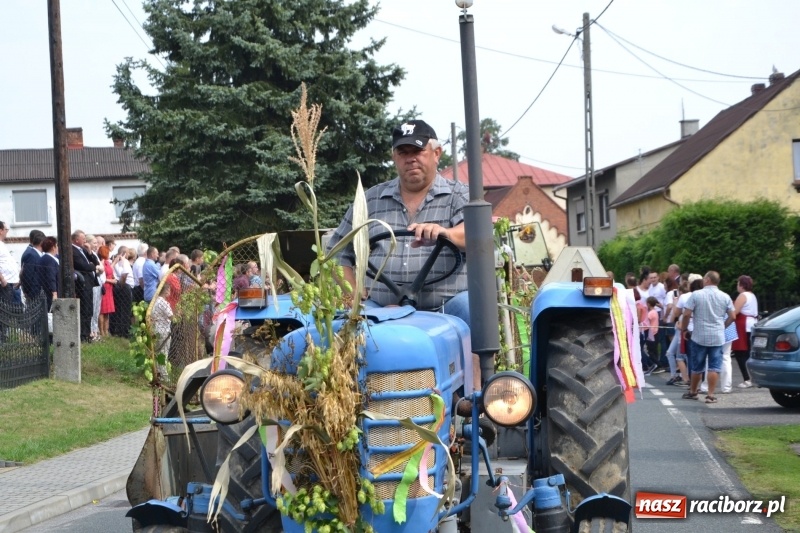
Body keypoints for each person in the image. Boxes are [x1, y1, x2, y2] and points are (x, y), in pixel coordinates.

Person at [326, 119, 470, 325]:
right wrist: (353, 293)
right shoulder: (369, 200)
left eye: (417, 151)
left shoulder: (459, 194)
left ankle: (473, 357)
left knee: (471, 308)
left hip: (445, 306)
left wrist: (444, 233)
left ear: (436, 154)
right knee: (347, 322)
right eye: (403, 152)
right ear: (394, 157)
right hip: (380, 306)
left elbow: (476, 236)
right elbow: (336, 251)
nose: (410, 159)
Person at [679, 271, 735, 404]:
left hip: (699, 335)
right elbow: (733, 316)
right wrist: (723, 326)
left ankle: (693, 391)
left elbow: (686, 314)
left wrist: (685, 329)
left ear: (708, 280)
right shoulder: (725, 296)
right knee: (714, 367)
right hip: (717, 336)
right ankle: (710, 394)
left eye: (704, 278)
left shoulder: (696, 295)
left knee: (697, 366)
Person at [71, 230, 99, 342]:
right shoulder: (72, 250)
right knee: (84, 310)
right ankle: (83, 335)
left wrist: (90, 252)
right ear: (76, 239)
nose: (85, 241)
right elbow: (84, 266)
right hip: (82, 285)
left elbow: (95, 262)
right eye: (83, 239)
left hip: (90, 283)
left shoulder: (83, 249)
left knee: (89, 310)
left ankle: (88, 334)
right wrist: (92, 266)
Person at [732, 275, 758, 388]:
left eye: (738, 284)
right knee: (748, 352)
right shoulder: (752, 295)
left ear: (742, 285)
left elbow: (735, 311)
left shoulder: (742, 295)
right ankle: (752, 378)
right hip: (751, 324)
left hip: (744, 325)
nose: (737, 286)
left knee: (740, 353)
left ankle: (747, 379)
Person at [20, 229, 45, 303]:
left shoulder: (37, 254)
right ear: (41, 243)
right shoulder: (31, 254)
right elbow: (28, 274)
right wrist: (27, 291)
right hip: (34, 292)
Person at [97, 245, 117, 338]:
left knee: (107, 311)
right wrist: (111, 280)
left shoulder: (108, 263)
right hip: (104, 287)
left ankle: (106, 330)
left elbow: (111, 273)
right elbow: (102, 277)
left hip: (110, 288)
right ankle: (101, 331)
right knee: (102, 310)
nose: (109, 254)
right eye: (107, 252)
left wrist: (113, 278)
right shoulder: (101, 263)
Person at [0, 221, 22, 304]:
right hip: (6, 284)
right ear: (0, 230)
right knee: (9, 311)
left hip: (13, 283)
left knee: (17, 310)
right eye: (6, 229)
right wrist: (2, 280)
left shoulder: (2, 244)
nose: (7, 232)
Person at [38, 237, 60, 312]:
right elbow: (51, 276)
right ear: (53, 247)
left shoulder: (44, 258)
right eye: (56, 245)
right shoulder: (49, 260)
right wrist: (54, 292)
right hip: (51, 292)